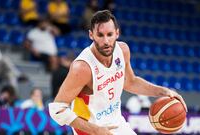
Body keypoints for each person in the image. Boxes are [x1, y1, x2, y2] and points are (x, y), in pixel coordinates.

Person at [49, 10, 187, 135]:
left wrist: (164, 92)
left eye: (110, 34)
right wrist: (96, 130)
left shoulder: (123, 50)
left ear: (117, 33)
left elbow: (130, 82)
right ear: (91, 35)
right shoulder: (82, 67)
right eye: (100, 35)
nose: (106, 41)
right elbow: (57, 110)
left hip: (116, 124)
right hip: (89, 130)